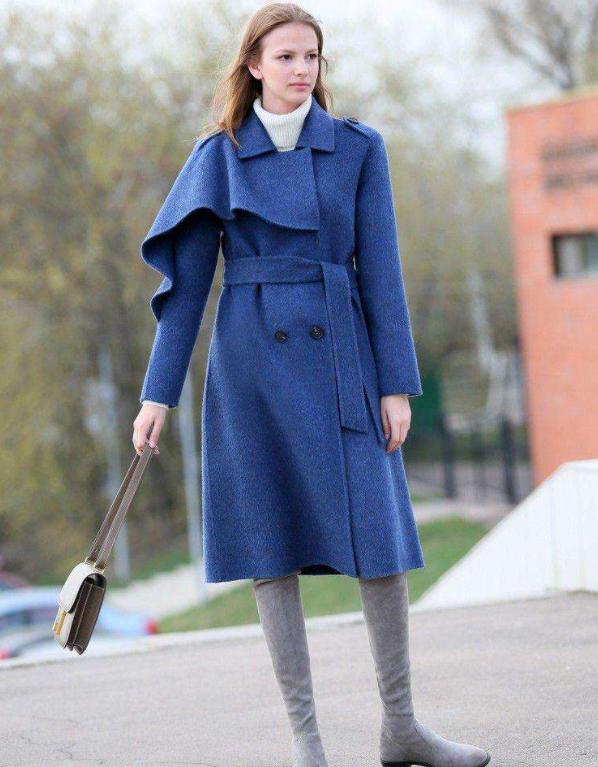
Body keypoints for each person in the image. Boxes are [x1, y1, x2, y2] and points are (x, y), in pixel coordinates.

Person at [132, 4, 491, 767]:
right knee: (272, 545)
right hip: (252, 367)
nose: (302, 69)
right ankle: (308, 742)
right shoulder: (219, 156)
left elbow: (382, 272)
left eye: (312, 56)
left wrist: (396, 383)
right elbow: (187, 291)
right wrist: (156, 395)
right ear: (254, 65)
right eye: (286, 56)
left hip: (343, 360)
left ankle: (402, 726)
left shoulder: (358, 147)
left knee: (380, 541)